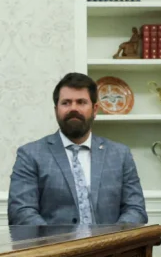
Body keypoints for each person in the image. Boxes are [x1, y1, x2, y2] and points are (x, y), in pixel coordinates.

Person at [9, 73, 147, 226]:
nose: (73, 108)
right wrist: (58, 246)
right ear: (56, 110)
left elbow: (135, 209)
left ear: (95, 110)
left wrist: (113, 241)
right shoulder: (30, 155)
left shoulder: (120, 155)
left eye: (81, 102)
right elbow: (21, 212)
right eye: (66, 103)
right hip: (54, 247)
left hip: (111, 247)